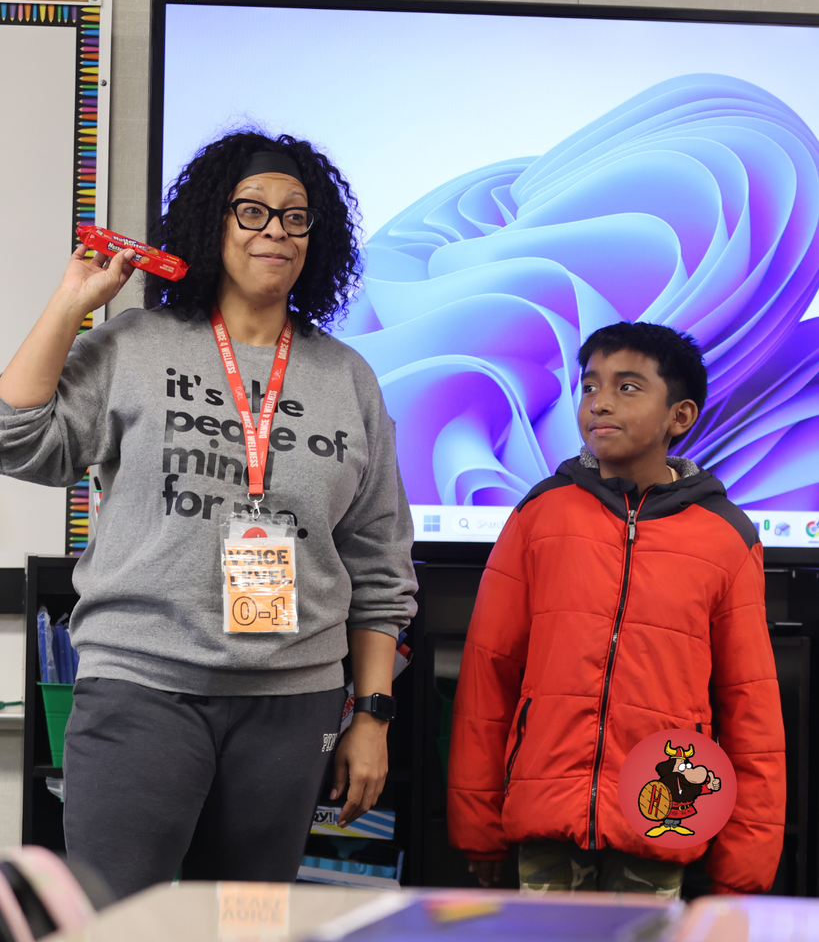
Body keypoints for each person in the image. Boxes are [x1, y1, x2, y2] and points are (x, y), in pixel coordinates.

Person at [0, 130, 417, 898]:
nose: (275, 233)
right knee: (115, 917)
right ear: (210, 223)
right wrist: (72, 302)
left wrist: (373, 716)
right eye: (252, 211)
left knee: (248, 925)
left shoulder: (348, 377)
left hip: (293, 704)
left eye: (296, 218)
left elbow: (379, 567)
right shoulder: (137, 343)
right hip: (141, 686)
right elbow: (17, 436)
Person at [447, 322, 785, 896]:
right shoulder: (540, 517)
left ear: (679, 417)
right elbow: (488, 675)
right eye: (589, 386)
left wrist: (745, 862)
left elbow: (750, 704)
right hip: (545, 812)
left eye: (628, 387)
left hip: (664, 814)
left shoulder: (727, 538)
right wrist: (478, 825)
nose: (599, 403)